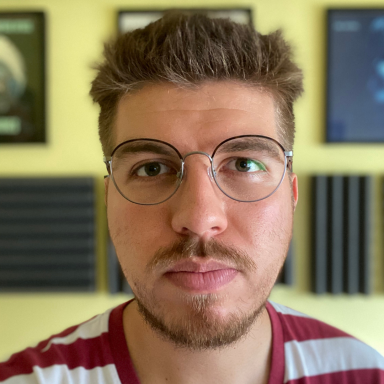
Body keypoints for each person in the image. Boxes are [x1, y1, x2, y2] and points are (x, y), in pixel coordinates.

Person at [1, 12, 384, 384]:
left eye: (245, 164)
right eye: (152, 168)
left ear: (291, 194)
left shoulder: (365, 375)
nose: (200, 218)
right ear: (108, 200)